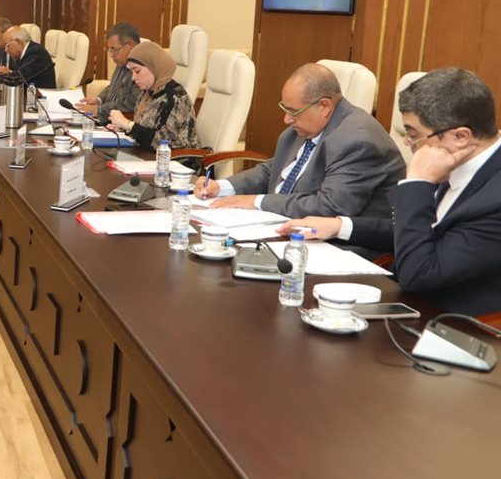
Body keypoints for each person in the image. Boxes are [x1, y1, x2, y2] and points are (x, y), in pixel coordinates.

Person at [279, 69, 501, 317]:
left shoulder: (493, 199)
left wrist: (418, 183)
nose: (407, 142)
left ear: (460, 136)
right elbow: (418, 232)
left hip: (454, 323)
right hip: (408, 305)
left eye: (413, 134)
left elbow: (419, 274)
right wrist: (339, 226)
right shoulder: (456, 160)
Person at [196, 62, 405, 218]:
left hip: (337, 247)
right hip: (283, 226)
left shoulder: (357, 141)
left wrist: (258, 202)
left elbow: (331, 206)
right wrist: (221, 186)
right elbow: (273, 170)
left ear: (324, 106)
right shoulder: (305, 128)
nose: (286, 119)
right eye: (284, 109)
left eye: (293, 111)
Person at [103, 40, 199, 150]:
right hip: (145, 155)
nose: (133, 78)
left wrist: (129, 125)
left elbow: (170, 143)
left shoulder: (176, 98)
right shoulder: (147, 93)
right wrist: (123, 129)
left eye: (137, 71)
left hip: (174, 159)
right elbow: (144, 130)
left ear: (154, 68)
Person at [76, 21, 141, 116]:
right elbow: (113, 88)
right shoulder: (122, 63)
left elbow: (131, 102)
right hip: (108, 118)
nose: (111, 54)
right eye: (109, 49)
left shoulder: (142, 68)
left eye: (114, 49)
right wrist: (99, 100)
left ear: (129, 46)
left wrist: (99, 110)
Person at [0, 24, 55, 89]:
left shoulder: (36, 52)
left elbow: (19, 78)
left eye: (8, 45)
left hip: (41, 94)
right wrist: (10, 72)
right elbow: (20, 73)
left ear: (19, 42)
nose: (6, 50)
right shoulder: (24, 53)